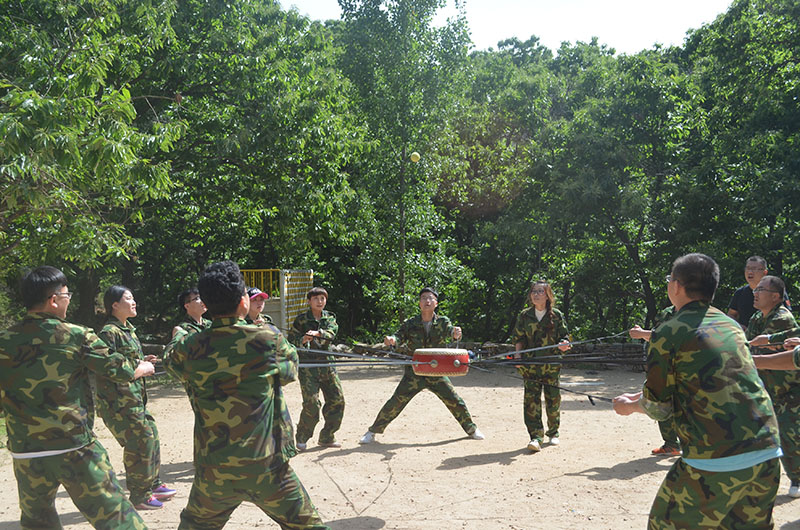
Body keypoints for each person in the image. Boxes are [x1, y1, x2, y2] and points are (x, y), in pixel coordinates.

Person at [614, 253, 782, 528]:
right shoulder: (730, 325)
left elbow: (659, 408)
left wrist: (628, 406)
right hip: (766, 450)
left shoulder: (667, 332)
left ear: (676, 286)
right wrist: (639, 396)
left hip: (715, 457)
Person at [164, 260, 328, 529]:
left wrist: (177, 335)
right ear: (243, 301)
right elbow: (289, 373)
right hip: (268, 467)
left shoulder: (190, 346)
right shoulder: (268, 339)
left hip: (214, 471)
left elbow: (171, 361)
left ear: (207, 304)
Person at [0, 266, 153, 529]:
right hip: (74, 447)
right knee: (118, 519)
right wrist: (142, 367)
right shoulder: (76, 335)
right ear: (54, 300)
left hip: (26, 452)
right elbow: (119, 370)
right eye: (67, 294)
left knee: (37, 523)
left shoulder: (4, 340)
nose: (69, 300)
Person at [359, 287, 485, 444]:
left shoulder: (443, 321)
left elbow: (451, 333)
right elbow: (398, 337)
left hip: (436, 371)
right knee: (396, 402)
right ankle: (372, 431)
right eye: (424, 298)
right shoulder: (410, 323)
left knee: (454, 400)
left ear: (436, 303)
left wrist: (456, 333)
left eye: (430, 298)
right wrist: (391, 340)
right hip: (415, 371)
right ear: (419, 303)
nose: (427, 301)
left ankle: (471, 429)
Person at [96, 286, 176, 510]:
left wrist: (143, 361)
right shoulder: (108, 333)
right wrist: (141, 368)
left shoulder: (127, 329)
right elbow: (109, 368)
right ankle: (140, 495)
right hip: (118, 403)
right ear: (115, 305)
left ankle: (153, 483)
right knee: (139, 443)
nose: (134, 302)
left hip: (134, 400)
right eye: (129, 298)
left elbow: (128, 360)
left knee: (151, 435)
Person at [744, 275, 800, 499]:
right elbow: (749, 344)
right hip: (769, 387)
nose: (755, 293)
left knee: (789, 433)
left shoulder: (782, 318)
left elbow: (756, 351)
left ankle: (797, 479)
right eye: (755, 289)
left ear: (775, 296)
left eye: (761, 290)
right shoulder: (757, 317)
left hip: (790, 389)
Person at [511, 281, 571, 453]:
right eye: (533, 292)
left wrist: (564, 344)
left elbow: (565, 337)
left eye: (540, 291)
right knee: (531, 401)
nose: (536, 295)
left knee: (553, 399)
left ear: (547, 295)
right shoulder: (525, 315)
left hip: (551, 365)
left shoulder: (556, 315)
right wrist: (518, 356)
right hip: (530, 365)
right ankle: (536, 437)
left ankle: (553, 432)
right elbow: (519, 338)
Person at [289, 287, 345, 451]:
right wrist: (303, 339)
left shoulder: (330, 318)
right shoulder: (301, 320)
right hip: (308, 368)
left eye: (322, 298)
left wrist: (319, 333)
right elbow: (291, 340)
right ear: (309, 301)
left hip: (327, 366)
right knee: (312, 403)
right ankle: (302, 437)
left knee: (337, 401)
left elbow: (332, 333)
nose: (319, 302)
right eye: (315, 299)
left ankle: (327, 436)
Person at [629, 305, 680, 457]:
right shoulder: (666, 313)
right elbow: (657, 337)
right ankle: (671, 444)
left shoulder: (694, 313)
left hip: (683, 367)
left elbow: (671, 337)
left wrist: (642, 333)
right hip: (662, 367)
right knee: (662, 402)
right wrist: (643, 334)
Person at [727, 255, 790, 330]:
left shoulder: (774, 291)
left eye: (754, 269)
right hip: (745, 335)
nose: (750, 272)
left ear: (765, 272)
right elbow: (731, 315)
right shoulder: (740, 293)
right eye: (748, 268)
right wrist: (739, 326)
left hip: (771, 334)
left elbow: (786, 316)